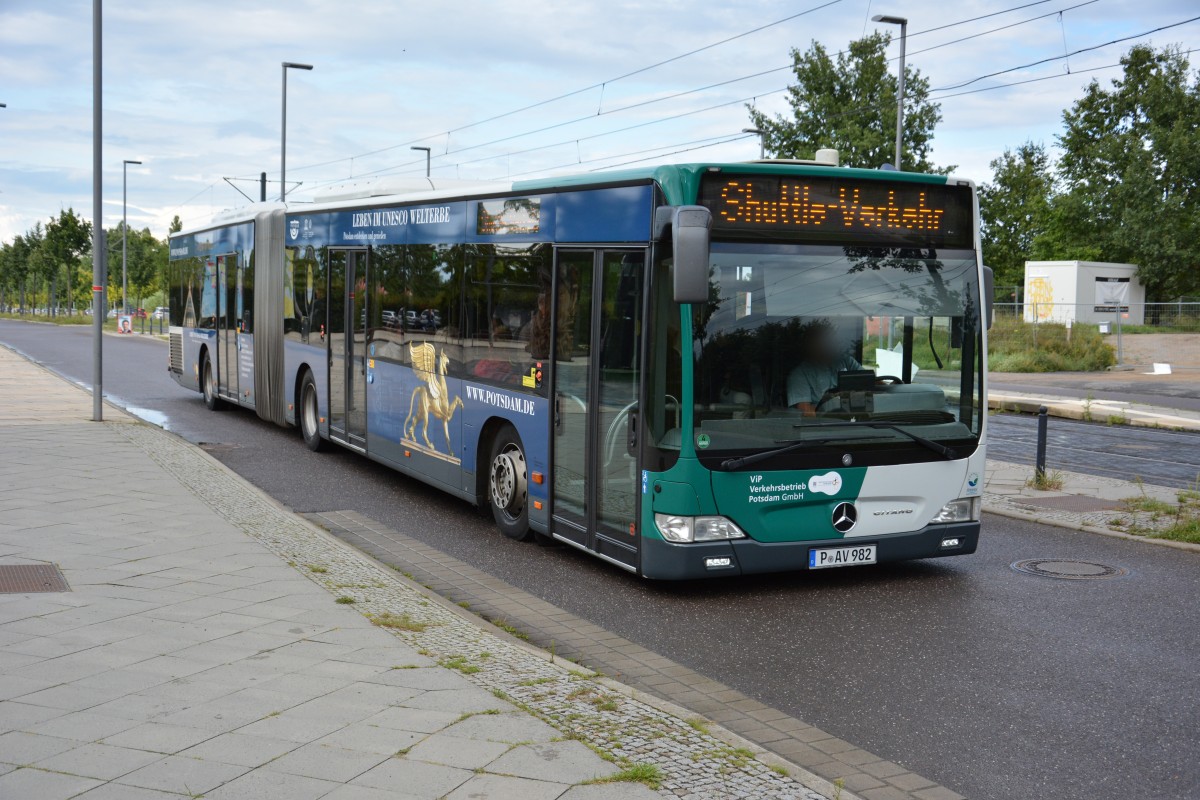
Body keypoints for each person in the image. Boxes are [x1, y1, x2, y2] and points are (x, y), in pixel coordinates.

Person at [787, 323, 862, 415]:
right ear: (810, 344)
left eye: (830, 340)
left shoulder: (846, 361)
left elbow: (873, 381)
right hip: (826, 424)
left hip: (859, 418)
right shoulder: (799, 375)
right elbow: (806, 412)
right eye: (822, 340)